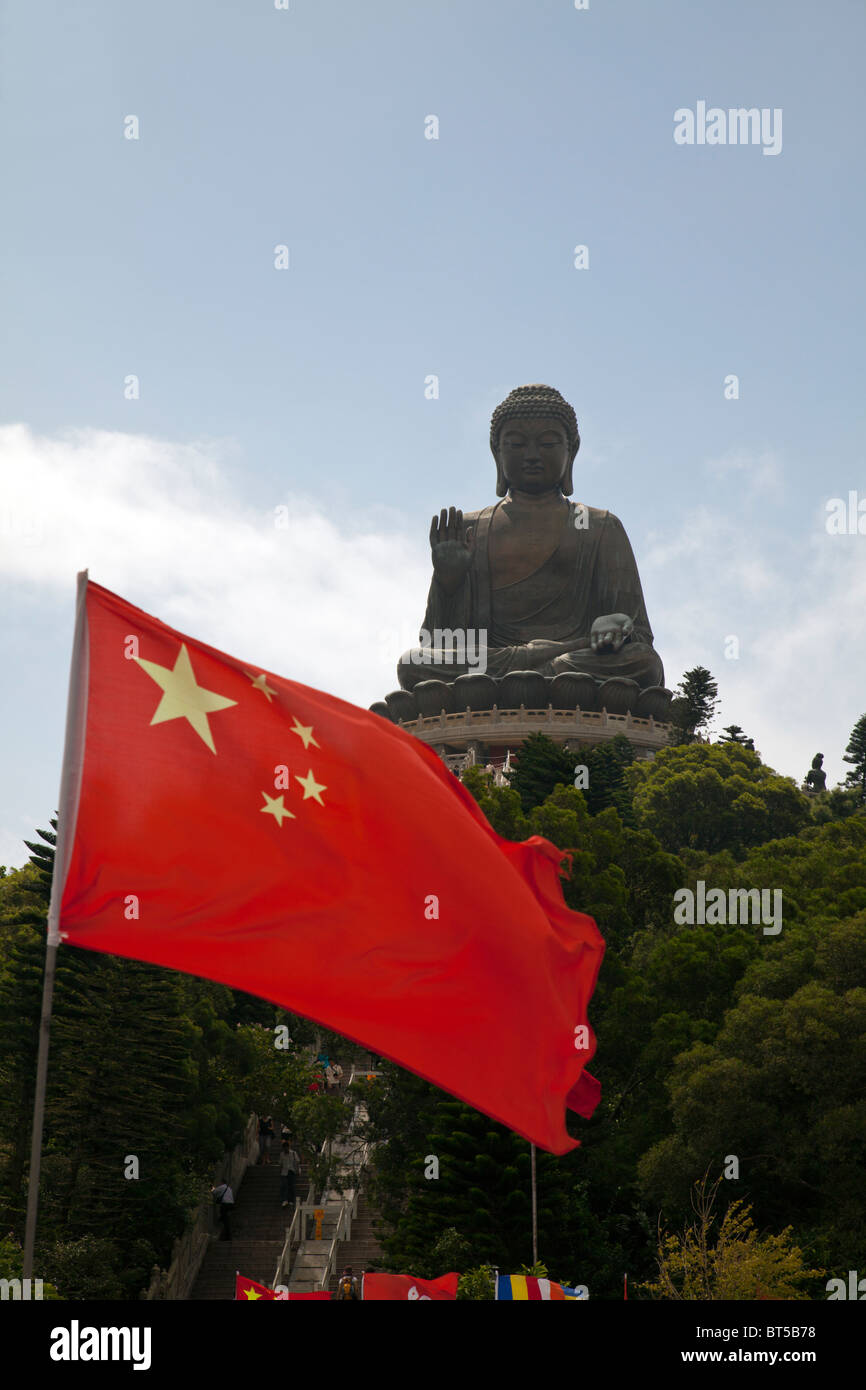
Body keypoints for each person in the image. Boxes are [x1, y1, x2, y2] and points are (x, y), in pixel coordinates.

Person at [279, 1139, 300, 1208]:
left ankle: (291, 1200)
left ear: (288, 1147)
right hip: (284, 1172)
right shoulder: (282, 1154)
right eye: (284, 1148)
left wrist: (297, 1170)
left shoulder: (293, 1153)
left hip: (291, 1171)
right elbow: (280, 1164)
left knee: (291, 1186)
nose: (285, 1149)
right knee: (284, 1186)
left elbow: (297, 1162)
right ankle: (284, 1200)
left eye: (286, 1147)